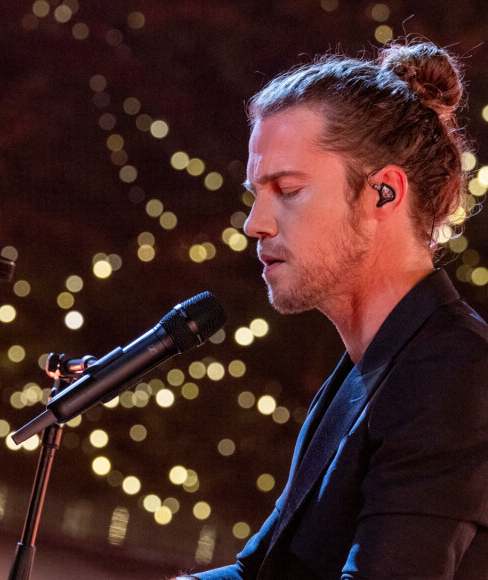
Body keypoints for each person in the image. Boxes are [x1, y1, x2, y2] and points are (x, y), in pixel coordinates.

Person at [174, 40, 488, 579]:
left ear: (383, 193)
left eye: (287, 190)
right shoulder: (373, 364)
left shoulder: (455, 375)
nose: (255, 223)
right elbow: (262, 572)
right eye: (257, 193)